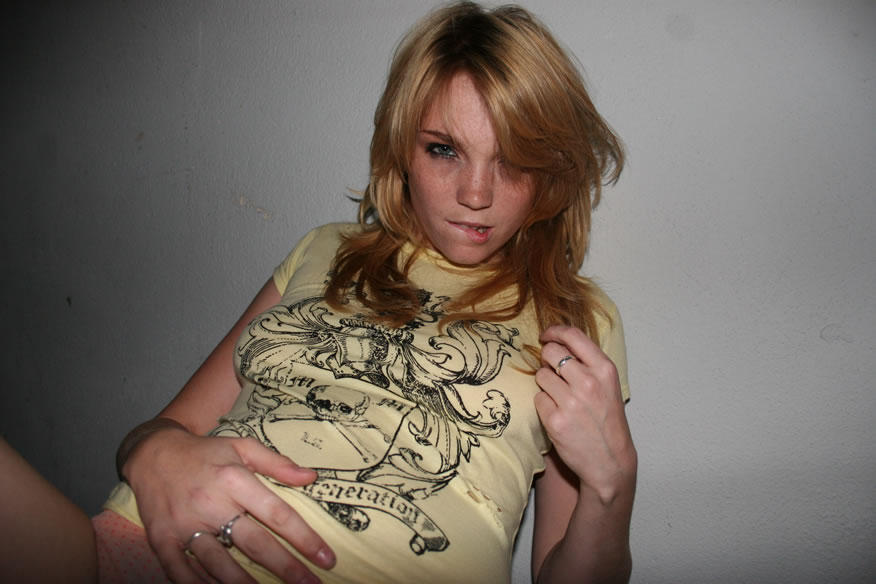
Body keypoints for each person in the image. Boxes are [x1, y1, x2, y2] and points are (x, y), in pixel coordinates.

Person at [6, 2, 636, 583]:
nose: (476, 193)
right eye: (444, 150)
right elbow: (171, 426)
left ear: (552, 170)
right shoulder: (326, 249)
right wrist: (151, 451)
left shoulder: (577, 319)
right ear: (403, 149)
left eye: (513, 160)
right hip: (152, 549)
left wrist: (612, 488)